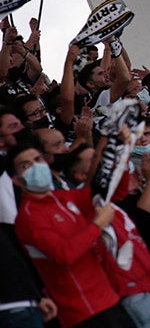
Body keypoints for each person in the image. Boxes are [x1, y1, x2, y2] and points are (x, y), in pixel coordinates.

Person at [10, 140, 134, 327]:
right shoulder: (28, 218)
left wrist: (121, 155)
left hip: (109, 298)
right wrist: (97, 225)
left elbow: (114, 193)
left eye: (38, 159)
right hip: (82, 312)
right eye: (25, 165)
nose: (35, 166)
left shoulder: (64, 198)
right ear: (17, 180)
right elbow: (63, 254)